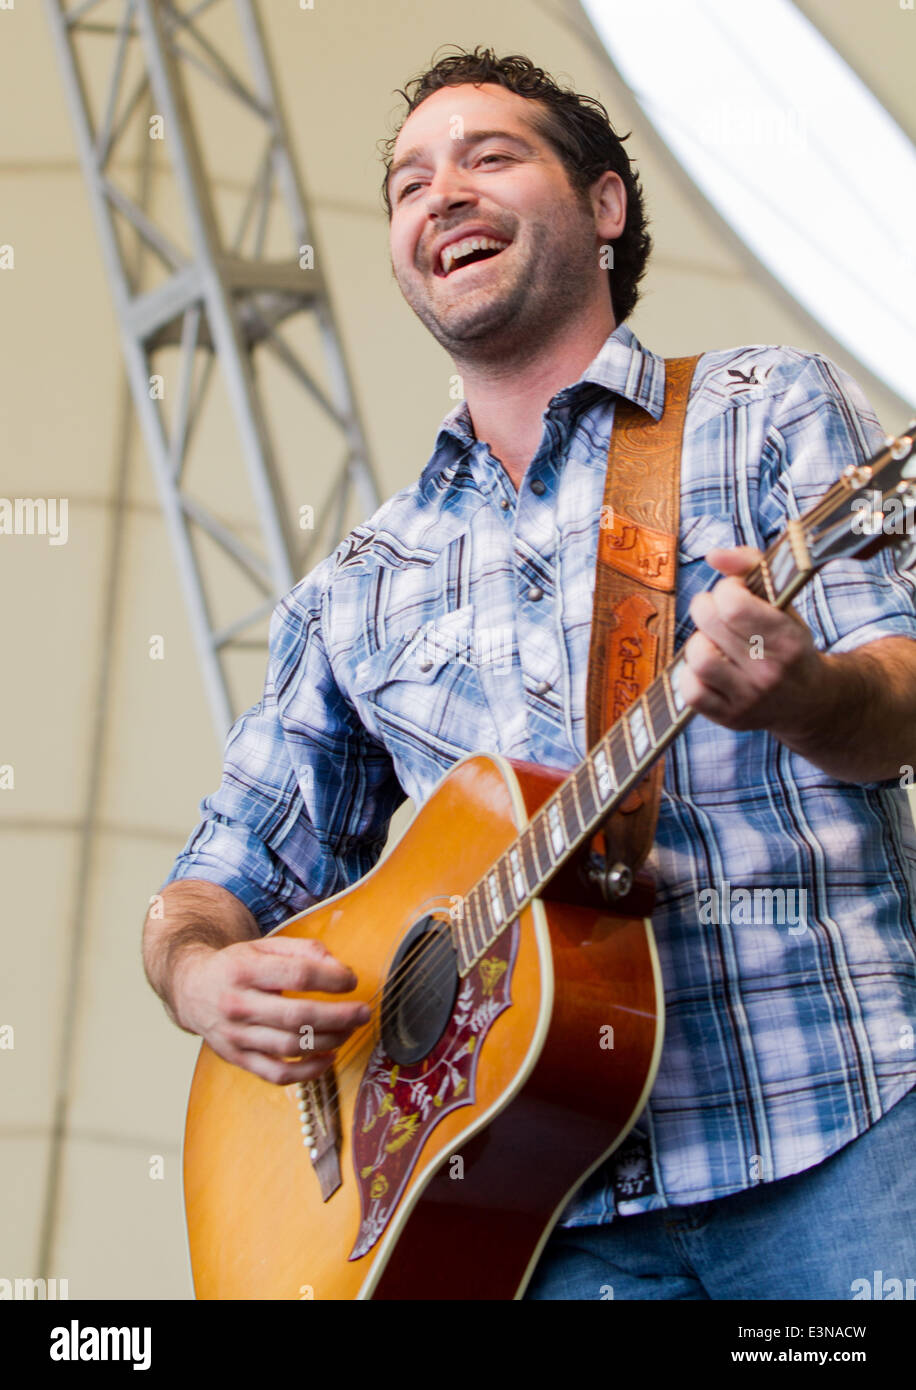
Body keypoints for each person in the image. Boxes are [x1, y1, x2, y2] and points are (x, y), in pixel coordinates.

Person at [142, 46, 916, 1300]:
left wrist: (810, 697)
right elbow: (216, 878)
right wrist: (200, 972)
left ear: (604, 208)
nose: (438, 192)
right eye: (406, 183)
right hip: (526, 1217)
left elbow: (900, 700)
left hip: (835, 1129)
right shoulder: (359, 579)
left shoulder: (760, 406)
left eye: (488, 156)